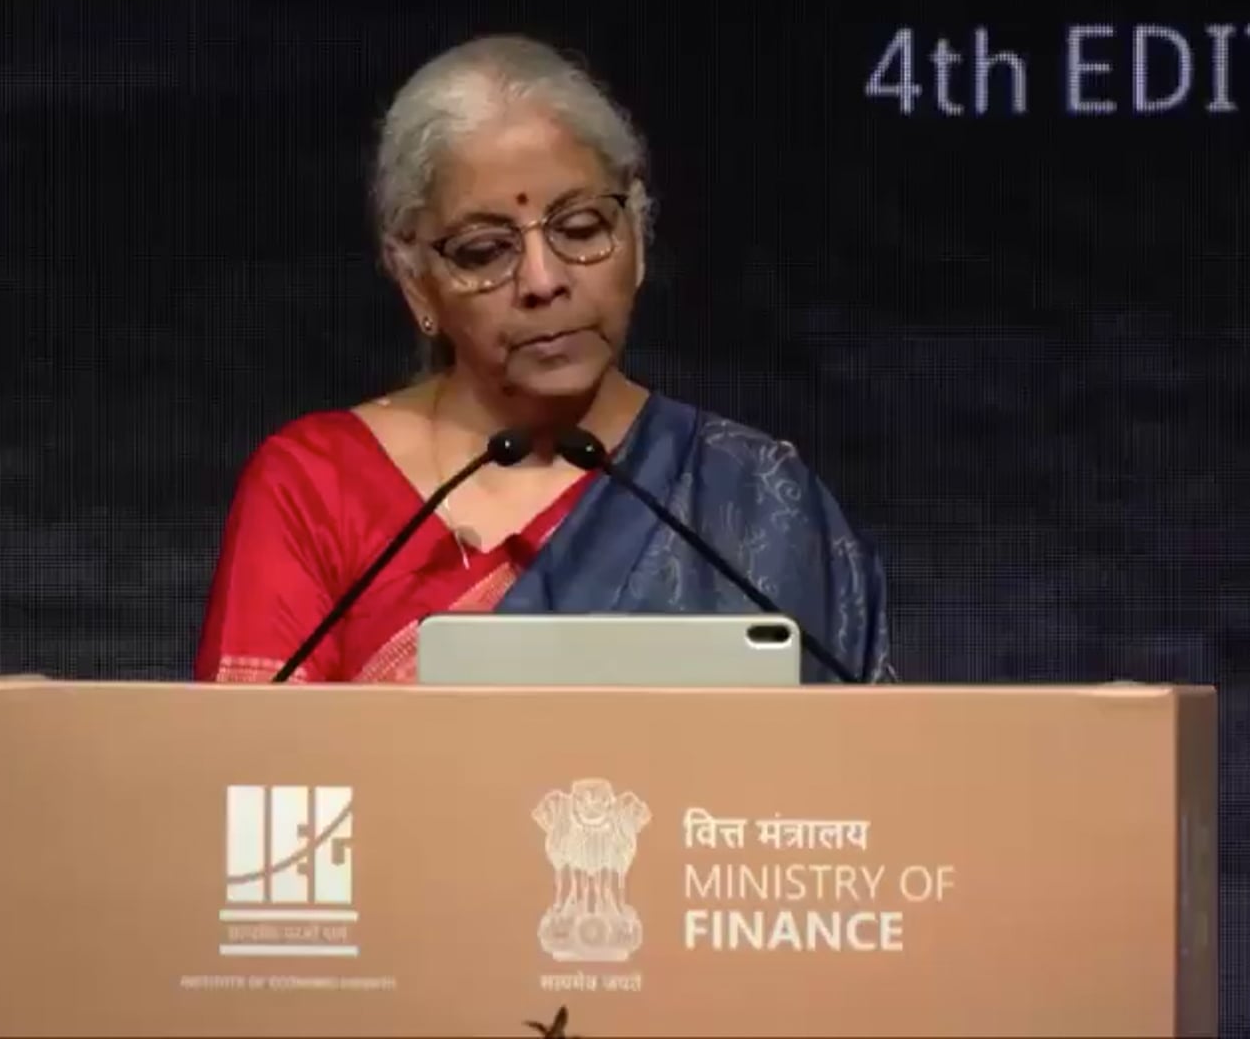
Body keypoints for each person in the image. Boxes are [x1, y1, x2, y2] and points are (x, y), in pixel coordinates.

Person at [195, 34, 890, 686]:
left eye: (581, 229)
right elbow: (251, 765)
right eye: (485, 251)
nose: (542, 280)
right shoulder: (318, 488)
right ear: (416, 282)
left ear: (637, 236)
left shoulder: (752, 497)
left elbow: (858, 762)